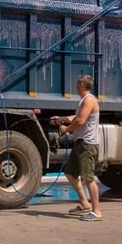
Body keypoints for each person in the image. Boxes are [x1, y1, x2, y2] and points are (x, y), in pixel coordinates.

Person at [50, 75, 102, 221]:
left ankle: (97, 212)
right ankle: (85, 204)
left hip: (87, 144)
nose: (76, 87)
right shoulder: (84, 101)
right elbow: (76, 116)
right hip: (80, 143)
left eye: (78, 84)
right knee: (70, 173)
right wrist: (61, 119)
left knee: (88, 178)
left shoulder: (89, 99)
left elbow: (80, 120)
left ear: (83, 85)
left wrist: (66, 129)